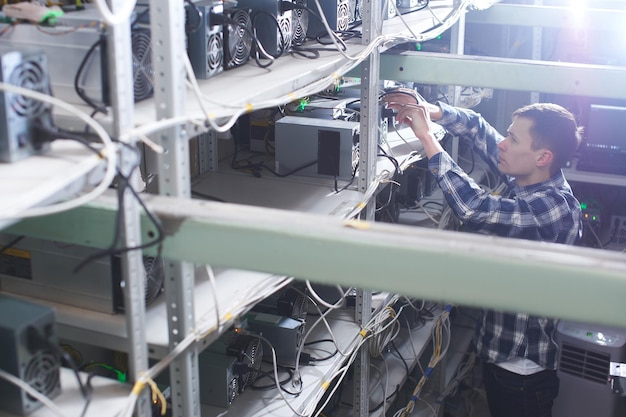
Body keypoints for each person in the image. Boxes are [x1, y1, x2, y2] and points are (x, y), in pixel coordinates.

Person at [383, 89, 583, 417]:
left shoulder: (554, 206)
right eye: (507, 135)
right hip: (501, 358)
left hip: (521, 373)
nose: (502, 144)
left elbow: (473, 208)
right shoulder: (529, 172)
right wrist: (429, 109)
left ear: (542, 156)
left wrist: (427, 138)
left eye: (513, 139)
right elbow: (477, 126)